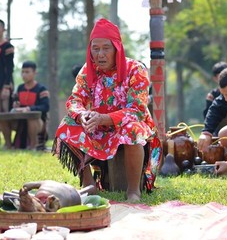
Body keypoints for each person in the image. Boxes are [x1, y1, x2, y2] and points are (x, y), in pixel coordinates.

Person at [52, 18, 162, 202]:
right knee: (67, 125)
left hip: (127, 126)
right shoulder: (88, 71)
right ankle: (89, 184)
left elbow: (137, 110)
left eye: (106, 48)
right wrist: (82, 115)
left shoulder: (136, 70)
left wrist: (103, 118)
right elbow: (74, 100)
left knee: (132, 130)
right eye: (96, 49)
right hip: (99, 127)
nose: (100, 54)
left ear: (117, 48)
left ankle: (133, 190)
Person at [0, 61, 50, 150]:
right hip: (20, 122)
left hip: (38, 123)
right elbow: (16, 103)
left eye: (27, 72)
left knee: (32, 119)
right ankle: (8, 145)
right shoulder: (20, 88)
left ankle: (33, 145)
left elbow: (46, 107)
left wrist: (29, 109)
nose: (24, 75)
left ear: (34, 73)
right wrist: (16, 105)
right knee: (3, 119)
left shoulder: (42, 89)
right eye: (22, 72)